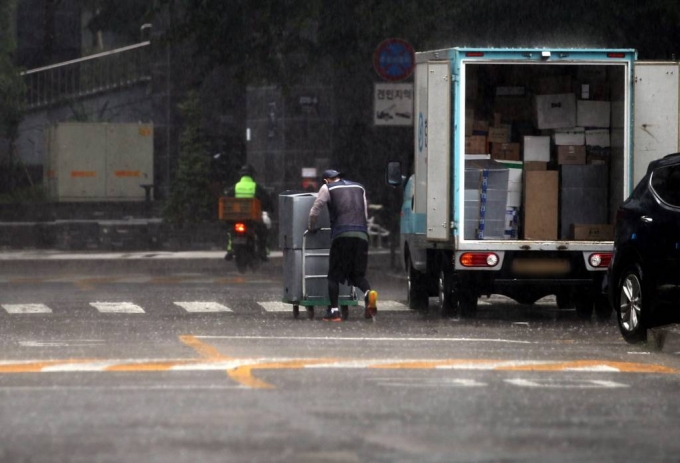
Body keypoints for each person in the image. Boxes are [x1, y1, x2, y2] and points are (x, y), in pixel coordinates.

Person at [308, 169, 378, 322]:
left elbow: (315, 211)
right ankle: (369, 294)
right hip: (361, 235)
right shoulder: (359, 187)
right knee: (357, 274)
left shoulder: (327, 187)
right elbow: (364, 214)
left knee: (333, 275)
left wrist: (312, 227)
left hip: (342, 235)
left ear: (326, 180)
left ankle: (334, 312)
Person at [224, 164, 272, 262]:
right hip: (252, 219)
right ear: (252, 175)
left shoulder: (234, 188)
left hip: (236, 217)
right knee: (263, 230)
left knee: (230, 230)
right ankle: (263, 251)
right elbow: (267, 201)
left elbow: (227, 200)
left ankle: (229, 250)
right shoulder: (257, 187)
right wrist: (270, 208)